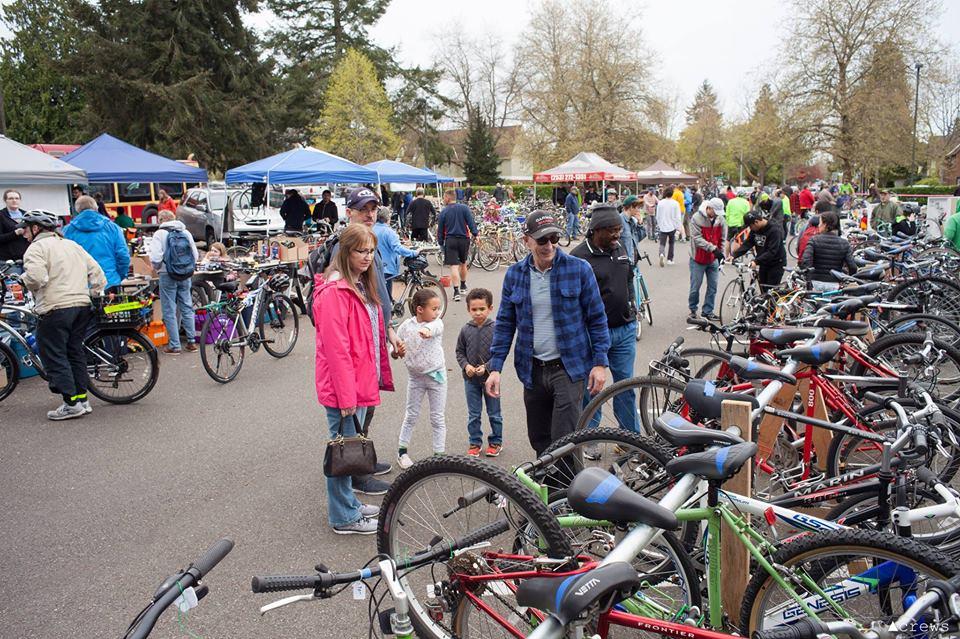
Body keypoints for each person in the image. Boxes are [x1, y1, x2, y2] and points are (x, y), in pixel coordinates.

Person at [485, 210, 610, 455]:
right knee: (539, 439)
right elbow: (505, 323)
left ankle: (563, 490)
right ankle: (546, 492)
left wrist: (600, 363)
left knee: (564, 441)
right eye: (542, 240)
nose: (549, 245)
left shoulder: (579, 269)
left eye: (554, 238)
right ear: (527, 241)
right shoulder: (515, 275)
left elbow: (597, 318)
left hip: (568, 368)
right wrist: (495, 368)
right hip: (532, 370)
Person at [313, 224, 392, 535]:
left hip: (358, 382)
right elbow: (337, 350)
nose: (367, 257)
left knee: (345, 449)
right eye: (361, 251)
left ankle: (347, 504)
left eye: (371, 251)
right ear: (345, 252)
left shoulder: (358, 283)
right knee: (341, 452)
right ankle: (343, 517)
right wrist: (347, 399)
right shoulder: (336, 291)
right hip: (345, 388)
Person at [18, 210, 106, 420]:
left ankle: (70, 404)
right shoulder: (71, 245)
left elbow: (37, 278)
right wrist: (93, 293)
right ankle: (82, 399)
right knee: (74, 352)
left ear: (36, 228)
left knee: (55, 355)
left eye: (26, 229)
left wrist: (23, 280)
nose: (23, 233)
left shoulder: (36, 248)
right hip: (82, 306)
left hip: (55, 307)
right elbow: (97, 273)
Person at [571, 205, 638, 434]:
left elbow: (629, 277)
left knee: (625, 387)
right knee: (593, 388)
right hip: (593, 335)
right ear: (596, 230)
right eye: (612, 230)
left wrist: (632, 305)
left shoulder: (619, 249)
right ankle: (590, 439)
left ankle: (630, 438)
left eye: (619, 229)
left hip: (624, 330)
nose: (617, 235)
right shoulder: (578, 258)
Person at [395, 288, 446, 468]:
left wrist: (426, 330)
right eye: (434, 308)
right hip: (415, 378)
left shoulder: (437, 323)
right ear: (419, 309)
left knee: (437, 417)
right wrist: (396, 351)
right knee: (411, 415)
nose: (437, 312)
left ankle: (439, 455)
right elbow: (394, 347)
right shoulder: (406, 326)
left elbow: (434, 327)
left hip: (436, 378)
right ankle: (402, 452)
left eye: (438, 308)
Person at [456, 288, 502, 457]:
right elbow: (459, 352)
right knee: (474, 414)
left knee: (494, 413)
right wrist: (466, 366)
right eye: (474, 309)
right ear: (468, 309)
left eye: (482, 309)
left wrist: (488, 366)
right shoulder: (465, 329)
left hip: (491, 379)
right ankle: (475, 442)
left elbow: (499, 352)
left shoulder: (496, 328)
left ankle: (496, 441)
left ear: (490, 308)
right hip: (470, 380)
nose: (478, 313)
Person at [149, 210, 199, 354]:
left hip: (167, 274)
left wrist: (159, 268)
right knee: (187, 306)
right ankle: (191, 342)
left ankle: (175, 345)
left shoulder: (159, 234)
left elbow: (156, 257)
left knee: (169, 309)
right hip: (185, 274)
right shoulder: (186, 233)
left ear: (161, 220)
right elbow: (195, 255)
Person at [63, 195, 130, 292]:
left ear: (77, 209)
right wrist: (119, 276)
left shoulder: (67, 230)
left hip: (80, 286)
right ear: (96, 207)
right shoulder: (112, 227)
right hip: (110, 283)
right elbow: (123, 255)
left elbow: (64, 259)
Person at [436, 188, 478, 302]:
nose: (444, 199)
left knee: (454, 266)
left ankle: (456, 291)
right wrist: (475, 233)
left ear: (448, 198)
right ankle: (463, 285)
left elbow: (440, 230)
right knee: (463, 263)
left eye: (444, 197)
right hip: (464, 239)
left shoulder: (444, 212)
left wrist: (440, 242)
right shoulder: (464, 208)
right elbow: (471, 222)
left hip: (450, 240)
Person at [688, 198, 727, 320]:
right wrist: (713, 248)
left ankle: (707, 311)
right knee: (695, 287)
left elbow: (722, 238)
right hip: (697, 258)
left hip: (713, 259)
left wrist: (721, 253)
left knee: (713, 286)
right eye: (715, 211)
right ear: (708, 208)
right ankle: (693, 309)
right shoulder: (696, 218)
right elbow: (697, 238)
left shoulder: (720, 219)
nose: (716, 215)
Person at [801, 211, 857, 291]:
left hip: (815, 283)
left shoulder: (814, 240)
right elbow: (852, 266)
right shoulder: (844, 243)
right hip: (835, 285)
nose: (818, 225)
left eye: (820, 223)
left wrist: (808, 279)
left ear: (825, 225)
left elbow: (806, 261)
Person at [373, 208, 418, 304]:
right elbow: (397, 248)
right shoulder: (389, 232)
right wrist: (413, 253)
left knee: (379, 295)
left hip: (375, 266)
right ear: (387, 218)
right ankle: (388, 317)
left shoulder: (372, 229)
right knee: (386, 296)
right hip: (387, 267)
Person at [733, 210, 786, 288]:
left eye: (750, 226)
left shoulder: (775, 230)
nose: (750, 228)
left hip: (776, 263)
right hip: (763, 262)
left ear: (756, 222)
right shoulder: (755, 229)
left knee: (770, 291)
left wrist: (756, 261)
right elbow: (748, 243)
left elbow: (771, 251)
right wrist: (734, 255)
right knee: (763, 288)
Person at [0, 189, 29, 267]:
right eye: (11, 198)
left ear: (20, 200)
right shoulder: (1, 215)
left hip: (27, 258)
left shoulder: (27, 215)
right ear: (5, 201)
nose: (14, 201)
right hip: (9, 261)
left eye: (17, 198)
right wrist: (15, 233)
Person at [655, 186, 682, 266]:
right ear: (672, 194)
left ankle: (661, 254)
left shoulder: (660, 203)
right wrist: (678, 227)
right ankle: (670, 259)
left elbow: (658, 215)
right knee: (671, 243)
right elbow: (678, 216)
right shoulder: (675, 203)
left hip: (663, 226)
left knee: (662, 243)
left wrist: (659, 224)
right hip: (672, 226)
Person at [724, 191, 750, 259]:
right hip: (740, 224)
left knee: (728, 240)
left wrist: (728, 221)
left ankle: (726, 257)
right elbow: (747, 214)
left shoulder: (731, 201)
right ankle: (734, 257)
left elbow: (727, 213)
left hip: (731, 223)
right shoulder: (746, 202)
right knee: (738, 240)